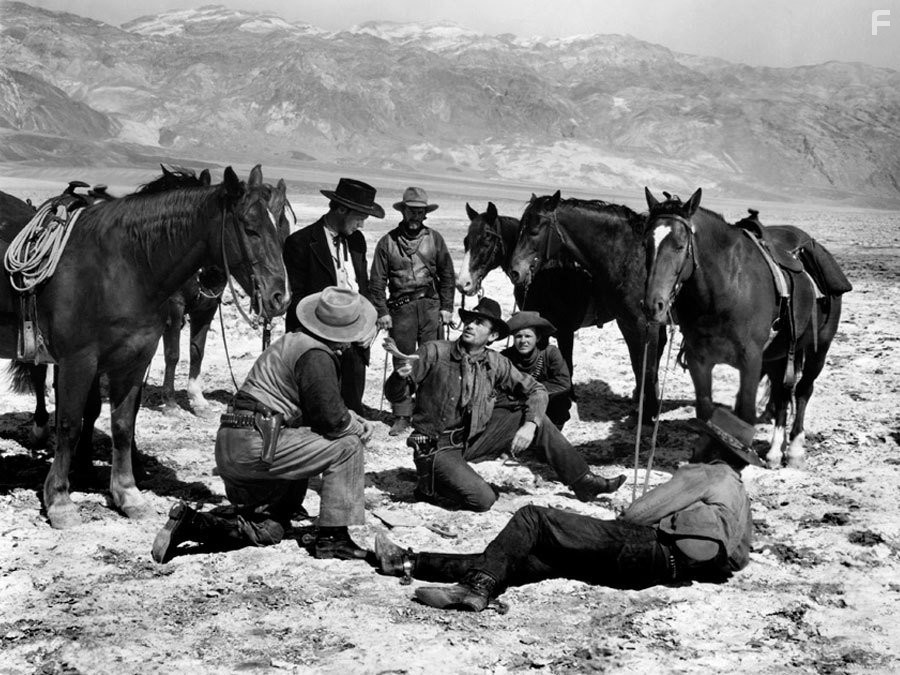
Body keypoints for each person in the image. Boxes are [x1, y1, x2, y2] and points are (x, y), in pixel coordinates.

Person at [373, 407, 759, 612]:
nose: (694, 445)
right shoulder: (739, 494)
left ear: (713, 447)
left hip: (646, 549)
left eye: (700, 440)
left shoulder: (706, 473)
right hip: (664, 570)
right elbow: (738, 559)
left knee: (533, 518)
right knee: (532, 556)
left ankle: (475, 588)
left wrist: (651, 514)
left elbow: (635, 516)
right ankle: (410, 562)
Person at [151, 286, 377, 564]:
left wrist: (347, 418)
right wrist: (356, 425)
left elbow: (319, 413)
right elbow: (332, 422)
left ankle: (193, 524)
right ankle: (333, 539)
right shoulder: (315, 355)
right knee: (348, 446)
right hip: (258, 446)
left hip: (236, 448)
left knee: (270, 529)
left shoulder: (293, 342)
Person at [383, 297, 625, 512]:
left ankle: (583, 482)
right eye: (470, 320)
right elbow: (395, 396)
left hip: (473, 437)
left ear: (493, 336)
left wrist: (530, 424)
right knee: (484, 500)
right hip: (436, 446)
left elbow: (536, 390)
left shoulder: (495, 362)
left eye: (479, 323)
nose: (470, 326)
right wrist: (398, 377)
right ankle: (430, 486)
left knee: (535, 418)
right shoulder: (434, 351)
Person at [282, 177, 385, 414]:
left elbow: (363, 286)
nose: (362, 225)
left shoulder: (357, 241)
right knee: (319, 408)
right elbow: (297, 301)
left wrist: (370, 325)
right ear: (340, 209)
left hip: (355, 338)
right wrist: (329, 333)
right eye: (359, 217)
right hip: (317, 339)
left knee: (351, 408)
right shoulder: (300, 242)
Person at [369, 187, 456, 437]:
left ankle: (428, 412)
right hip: (400, 309)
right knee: (402, 359)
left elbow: (447, 274)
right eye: (411, 211)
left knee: (434, 359)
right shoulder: (387, 242)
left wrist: (447, 308)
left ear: (425, 213)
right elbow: (377, 281)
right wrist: (382, 311)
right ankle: (402, 414)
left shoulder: (435, 239)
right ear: (403, 211)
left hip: (431, 305)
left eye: (420, 211)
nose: (415, 216)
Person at [499, 311, 573, 429]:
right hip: (517, 404)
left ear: (537, 338)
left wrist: (534, 393)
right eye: (518, 336)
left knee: (561, 403)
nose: (523, 341)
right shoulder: (505, 357)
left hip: (547, 402)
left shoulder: (550, 353)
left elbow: (563, 383)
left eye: (528, 336)